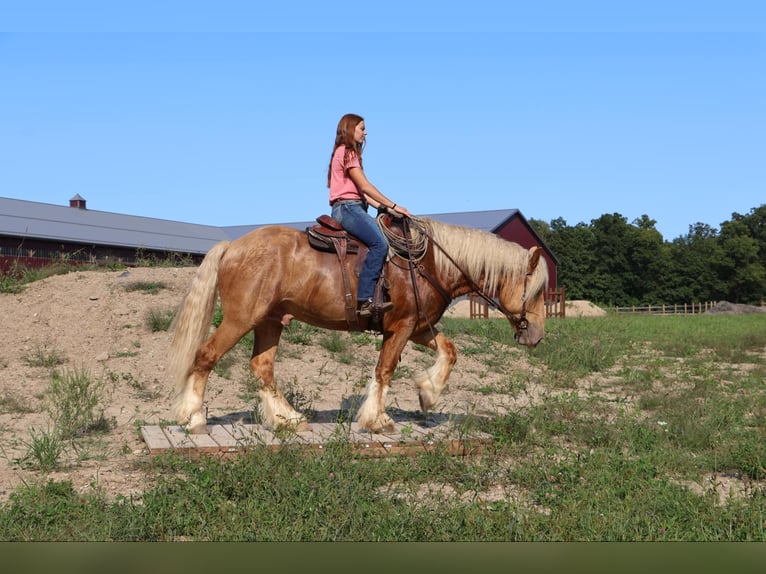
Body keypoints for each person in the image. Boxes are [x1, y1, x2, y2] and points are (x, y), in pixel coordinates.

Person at [327, 113, 412, 317]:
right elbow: (365, 186)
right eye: (362, 128)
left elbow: (362, 193)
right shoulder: (347, 152)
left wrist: (384, 208)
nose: (365, 132)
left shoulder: (345, 153)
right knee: (379, 244)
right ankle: (365, 299)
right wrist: (393, 204)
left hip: (353, 205)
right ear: (349, 130)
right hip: (348, 208)